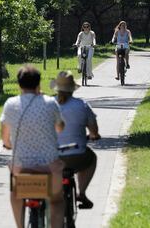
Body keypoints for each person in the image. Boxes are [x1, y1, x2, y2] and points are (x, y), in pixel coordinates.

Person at [0, 65, 65, 228]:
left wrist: (8, 145)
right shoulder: (50, 103)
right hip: (48, 167)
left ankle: (20, 226)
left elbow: (5, 137)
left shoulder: (10, 104)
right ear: (39, 84)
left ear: (19, 85)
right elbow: (60, 127)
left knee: (15, 194)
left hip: (22, 167)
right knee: (57, 200)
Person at [50, 70, 101, 209]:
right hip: (77, 155)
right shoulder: (82, 105)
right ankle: (82, 193)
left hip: (53, 157)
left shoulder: (48, 104)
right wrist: (94, 136)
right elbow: (94, 131)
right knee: (91, 159)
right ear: (72, 88)